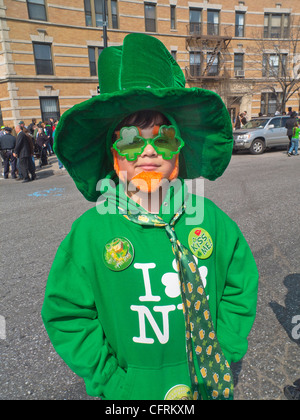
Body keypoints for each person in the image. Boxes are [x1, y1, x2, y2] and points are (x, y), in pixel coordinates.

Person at [41, 33, 258, 401]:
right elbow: (67, 314)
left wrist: (224, 347)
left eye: (163, 138)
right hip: (133, 392)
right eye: (130, 139)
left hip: (207, 385)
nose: (147, 151)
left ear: (179, 150)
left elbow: (240, 288)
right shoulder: (91, 233)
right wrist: (113, 381)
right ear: (113, 154)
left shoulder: (211, 221)